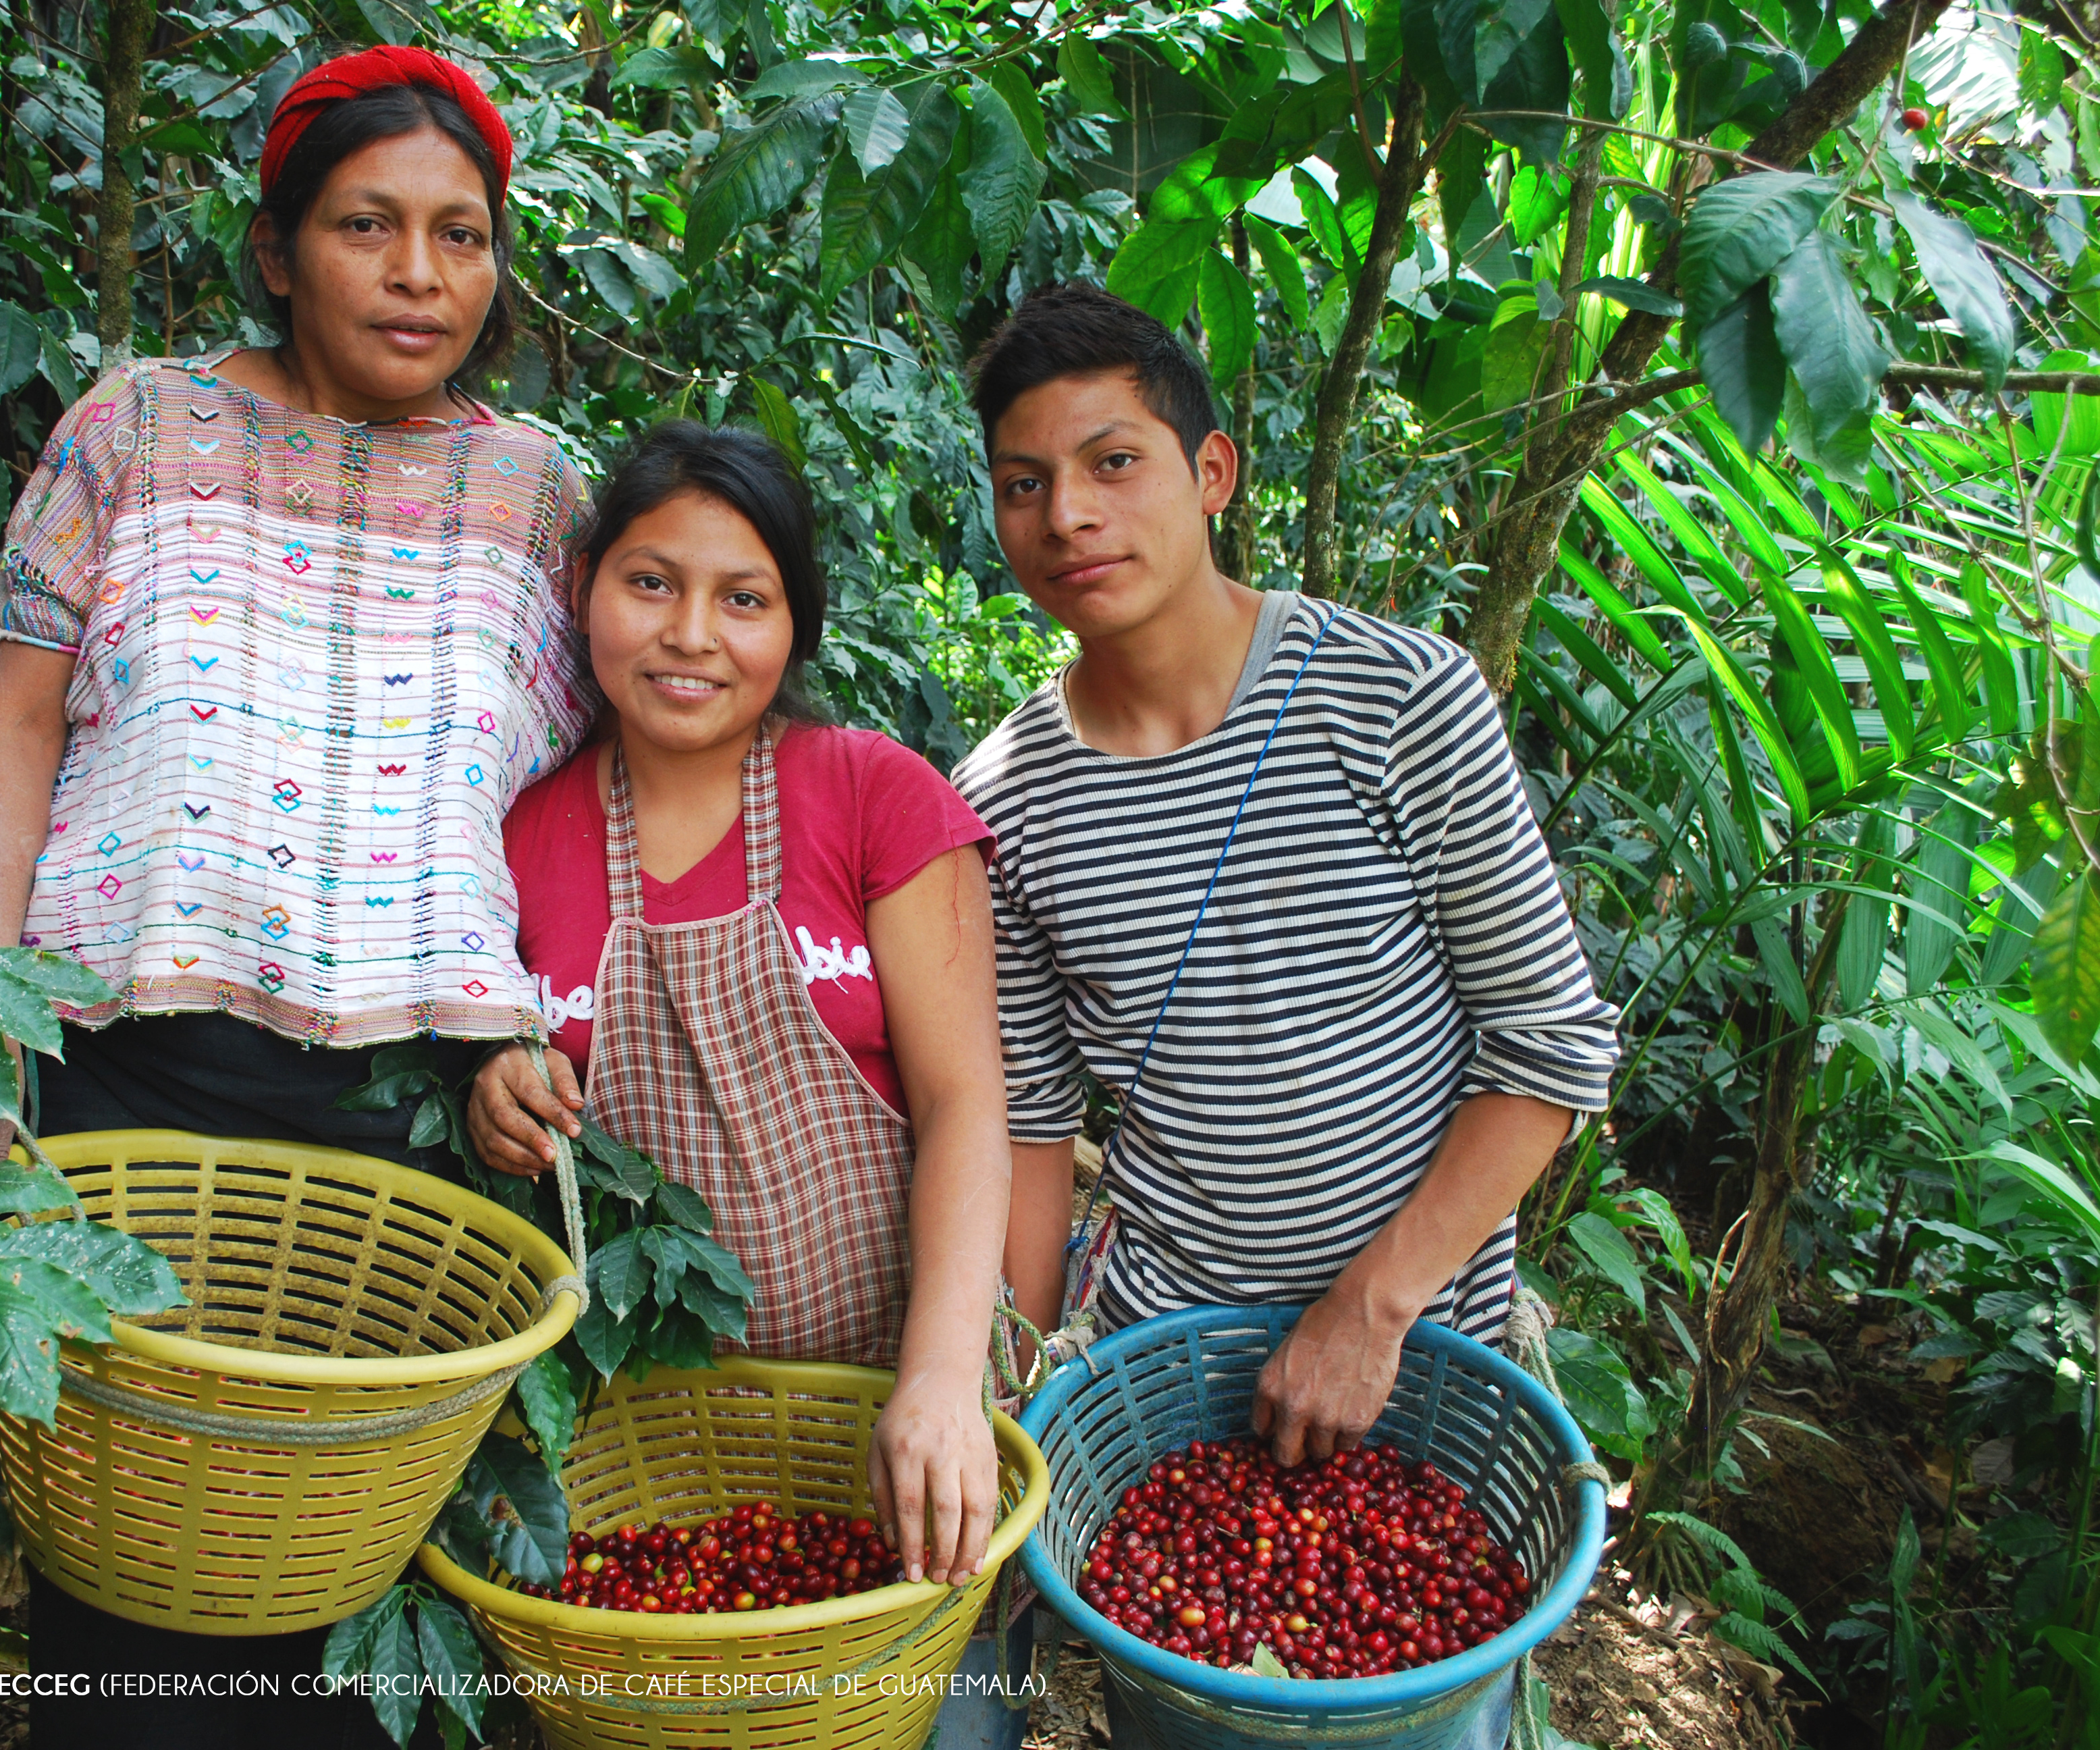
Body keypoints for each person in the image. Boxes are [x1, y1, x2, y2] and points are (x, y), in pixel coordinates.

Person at [0, 46, 588, 1749]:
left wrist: (529, 1032)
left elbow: (593, 793)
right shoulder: (138, 429)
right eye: (368, 224)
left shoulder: (541, 496)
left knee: (330, 1615)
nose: (421, 274)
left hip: (406, 1124)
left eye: (461, 233)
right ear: (281, 243)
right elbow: (10, 716)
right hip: (112, 1076)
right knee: (130, 1606)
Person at [952, 284, 1621, 1743]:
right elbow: (1033, 1121)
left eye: (1112, 461)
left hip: (1427, 1362)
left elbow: (1551, 1048)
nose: (1067, 514)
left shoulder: (1397, 701)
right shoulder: (1001, 803)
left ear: (1212, 474)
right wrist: (1025, 1373)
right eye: (1024, 483)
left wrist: (1369, 1310)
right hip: (1171, 1381)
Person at [464, 423, 1020, 1726]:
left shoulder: (874, 794)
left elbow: (967, 1107)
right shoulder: (517, 832)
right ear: (586, 588)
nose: (691, 634)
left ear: (794, 624)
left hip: (893, 1414)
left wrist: (942, 1381)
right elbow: (502, 1083)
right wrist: (500, 1096)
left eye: (745, 598)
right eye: (651, 582)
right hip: (647, 1459)